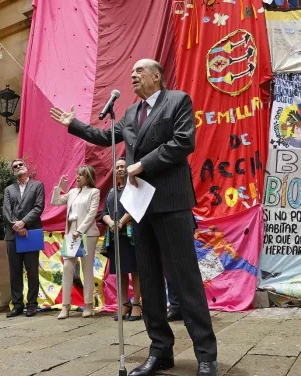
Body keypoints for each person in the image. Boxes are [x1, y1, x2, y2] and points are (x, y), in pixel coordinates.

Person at [50, 59, 218, 376]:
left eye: (139, 71)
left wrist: (141, 165)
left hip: (170, 201)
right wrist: (74, 124)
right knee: (150, 280)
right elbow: (104, 137)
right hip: (140, 207)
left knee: (185, 280)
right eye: (131, 73)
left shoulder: (177, 101)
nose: (133, 75)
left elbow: (184, 142)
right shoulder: (129, 113)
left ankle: (206, 355)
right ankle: (160, 351)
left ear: (157, 75)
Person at [51, 165, 100, 319]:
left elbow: (92, 213)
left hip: (87, 234)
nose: (77, 177)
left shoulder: (94, 192)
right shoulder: (72, 192)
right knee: (67, 267)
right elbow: (56, 202)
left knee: (87, 269)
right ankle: (65, 306)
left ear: (88, 177)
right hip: (71, 234)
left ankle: (88, 305)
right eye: (77, 174)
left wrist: (81, 230)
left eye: (81, 175)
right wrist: (59, 187)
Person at [101, 157, 142, 322]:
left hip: (132, 235)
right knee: (121, 272)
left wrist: (121, 222)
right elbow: (103, 213)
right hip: (116, 237)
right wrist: (111, 222)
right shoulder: (111, 192)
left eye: (123, 166)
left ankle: (138, 305)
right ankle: (125, 304)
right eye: (117, 167)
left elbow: (136, 207)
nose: (119, 169)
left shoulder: (134, 188)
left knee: (136, 271)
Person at [3, 159, 45, 318]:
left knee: (32, 270)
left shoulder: (38, 186)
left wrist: (24, 223)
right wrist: (17, 225)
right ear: (13, 171)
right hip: (13, 234)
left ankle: (32, 304)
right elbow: (6, 210)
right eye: (15, 166)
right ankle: (17, 304)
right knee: (14, 271)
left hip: (31, 233)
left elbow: (38, 207)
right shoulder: (9, 189)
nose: (18, 167)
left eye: (20, 164)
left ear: (26, 168)